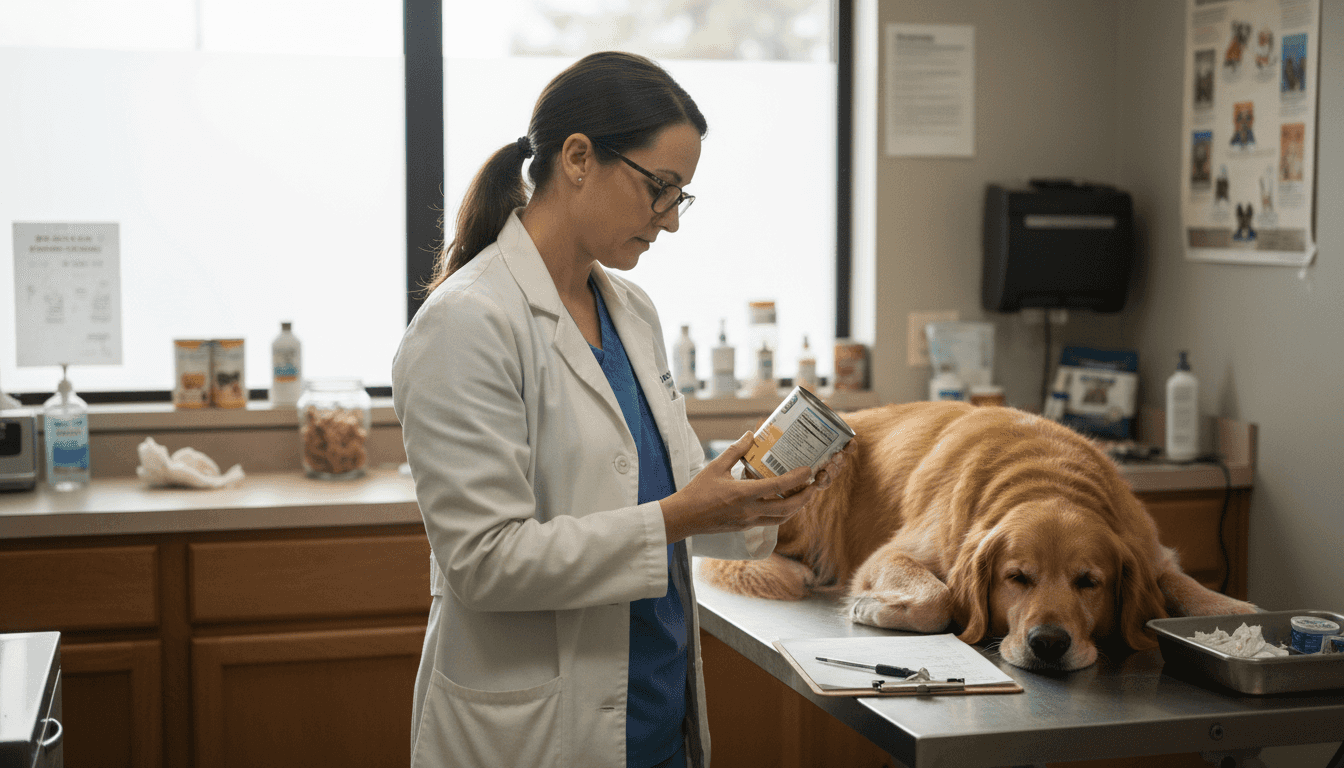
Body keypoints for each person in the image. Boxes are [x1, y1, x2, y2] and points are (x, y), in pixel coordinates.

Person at [392, 51, 847, 768]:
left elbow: (669, 490)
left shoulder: (631, 310)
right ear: (578, 158)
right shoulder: (468, 322)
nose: (669, 221)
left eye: (680, 197)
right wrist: (680, 516)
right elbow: (485, 561)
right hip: (539, 736)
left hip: (655, 714)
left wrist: (757, 500)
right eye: (659, 189)